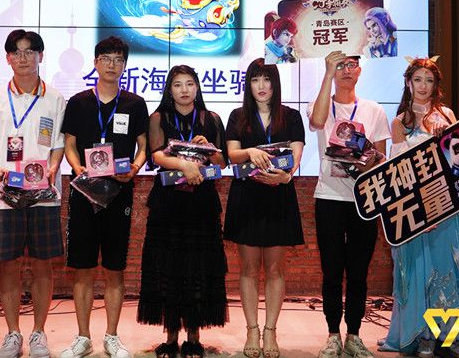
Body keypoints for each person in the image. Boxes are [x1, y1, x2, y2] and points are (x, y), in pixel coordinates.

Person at [0, 30, 67, 358]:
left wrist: (53, 167)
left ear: (41, 56)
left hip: (44, 193)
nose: (23, 58)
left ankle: (39, 333)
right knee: (8, 265)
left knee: (43, 264)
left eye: (30, 51)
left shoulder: (55, 98)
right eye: (17, 52)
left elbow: (58, 144)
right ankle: (12, 334)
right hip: (5, 194)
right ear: (8, 58)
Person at [378, 58, 459, 357]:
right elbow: (399, 173)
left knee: (448, 268)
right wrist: (420, 212)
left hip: (447, 205)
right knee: (419, 270)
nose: (423, 86)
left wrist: (445, 137)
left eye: (429, 80)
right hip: (418, 209)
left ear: (436, 85)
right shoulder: (400, 122)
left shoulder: (447, 115)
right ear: (408, 83)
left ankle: (451, 335)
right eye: (418, 79)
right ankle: (422, 335)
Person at [59, 36, 149, 358]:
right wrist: (77, 167)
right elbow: (69, 144)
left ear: (125, 66)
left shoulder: (135, 104)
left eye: (118, 60)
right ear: (95, 63)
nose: (112, 65)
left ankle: (112, 336)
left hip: (119, 192)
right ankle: (83, 337)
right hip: (84, 192)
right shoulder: (78, 102)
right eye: (106, 58)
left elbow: (143, 145)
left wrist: (135, 168)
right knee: (82, 268)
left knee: (114, 268)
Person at [138, 65, 229, 358]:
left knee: (199, 268)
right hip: (168, 204)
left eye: (190, 83)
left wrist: (209, 148)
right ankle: (171, 337)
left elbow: (223, 162)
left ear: (197, 87)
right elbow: (156, 156)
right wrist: (184, 165)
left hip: (202, 204)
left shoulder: (211, 119)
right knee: (168, 268)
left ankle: (193, 337)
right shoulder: (158, 118)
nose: (184, 90)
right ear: (170, 89)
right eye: (178, 84)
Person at [308, 52, 389, 358]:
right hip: (329, 197)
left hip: (363, 199)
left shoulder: (374, 109)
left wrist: (366, 160)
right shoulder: (320, 104)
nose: (345, 70)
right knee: (331, 272)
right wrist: (327, 73)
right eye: (339, 65)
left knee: (358, 272)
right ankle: (332, 335)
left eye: (350, 65)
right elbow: (317, 122)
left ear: (359, 70)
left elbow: (381, 158)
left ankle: (354, 335)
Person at [224, 58, 305, 358]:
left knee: (274, 268)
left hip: (279, 195)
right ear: (248, 84)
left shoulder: (291, 116)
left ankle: (270, 330)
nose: (261, 86)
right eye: (255, 79)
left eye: (267, 79)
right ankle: (252, 330)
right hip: (247, 196)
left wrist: (286, 175)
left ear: (275, 84)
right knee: (248, 268)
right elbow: (232, 155)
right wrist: (250, 151)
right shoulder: (238, 116)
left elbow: (296, 155)